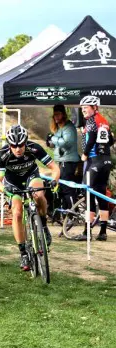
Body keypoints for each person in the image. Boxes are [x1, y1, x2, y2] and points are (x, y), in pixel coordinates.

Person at [0, 125, 60, 271]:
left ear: (26, 142)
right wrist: (6, 189)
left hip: (31, 176)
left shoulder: (34, 148)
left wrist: (54, 181)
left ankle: (43, 225)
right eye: (14, 145)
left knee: (39, 194)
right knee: (17, 213)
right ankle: (23, 253)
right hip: (12, 182)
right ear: (9, 144)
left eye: (21, 145)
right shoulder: (2, 154)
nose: (17, 149)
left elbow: (55, 168)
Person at [76, 96, 114, 241]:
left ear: (94, 108)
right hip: (105, 161)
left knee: (89, 195)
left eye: (86, 107)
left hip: (94, 162)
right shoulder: (103, 121)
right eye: (82, 107)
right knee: (101, 195)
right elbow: (111, 140)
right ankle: (103, 232)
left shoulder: (92, 121)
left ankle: (87, 232)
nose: (83, 109)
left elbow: (91, 139)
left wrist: (85, 155)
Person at [48, 104, 80, 211]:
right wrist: (50, 143)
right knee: (62, 187)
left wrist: (53, 138)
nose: (56, 117)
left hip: (69, 161)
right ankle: (67, 212)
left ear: (63, 114)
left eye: (58, 114)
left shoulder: (69, 127)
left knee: (67, 187)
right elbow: (58, 144)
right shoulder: (60, 128)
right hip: (62, 160)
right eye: (54, 115)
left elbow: (66, 143)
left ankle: (73, 212)